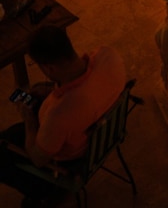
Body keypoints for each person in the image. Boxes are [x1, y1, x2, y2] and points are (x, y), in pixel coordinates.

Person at [0, 24, 126, 207]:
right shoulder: (108, 55)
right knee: (29, 107)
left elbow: (38, 159)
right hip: (99, 132)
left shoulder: (59, 113)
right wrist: (52, 91)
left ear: (49, 68)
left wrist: (29, 119)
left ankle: (42, 194)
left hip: (69, 160)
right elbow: (86, 85)